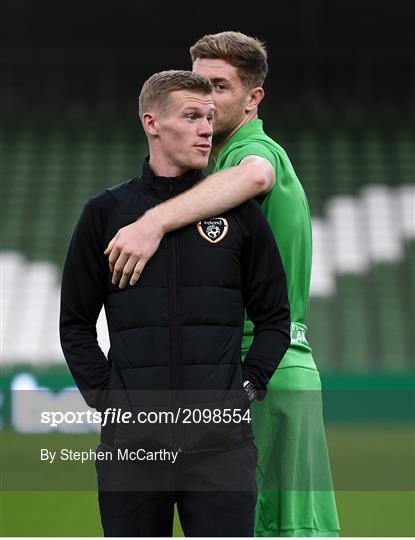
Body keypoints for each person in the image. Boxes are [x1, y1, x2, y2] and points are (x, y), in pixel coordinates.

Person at [103, 32, 340, 537]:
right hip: (267, 372)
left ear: (254, 98)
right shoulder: (217, 161)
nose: (206, 100)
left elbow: (255, 176)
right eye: (197, 86)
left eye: (220, 87)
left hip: (260, 370)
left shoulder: (250, 153)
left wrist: (153, 222)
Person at [60, 69, 291, 537]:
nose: (207, 128)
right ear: (152, 123)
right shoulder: (105, 213)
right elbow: (75, 324)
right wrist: (111, 401)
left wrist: (244, 389)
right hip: (133, 447)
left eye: (209, 117)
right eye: (191, 117)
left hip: (221, 446)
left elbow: (274, 317)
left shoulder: (240, 214)